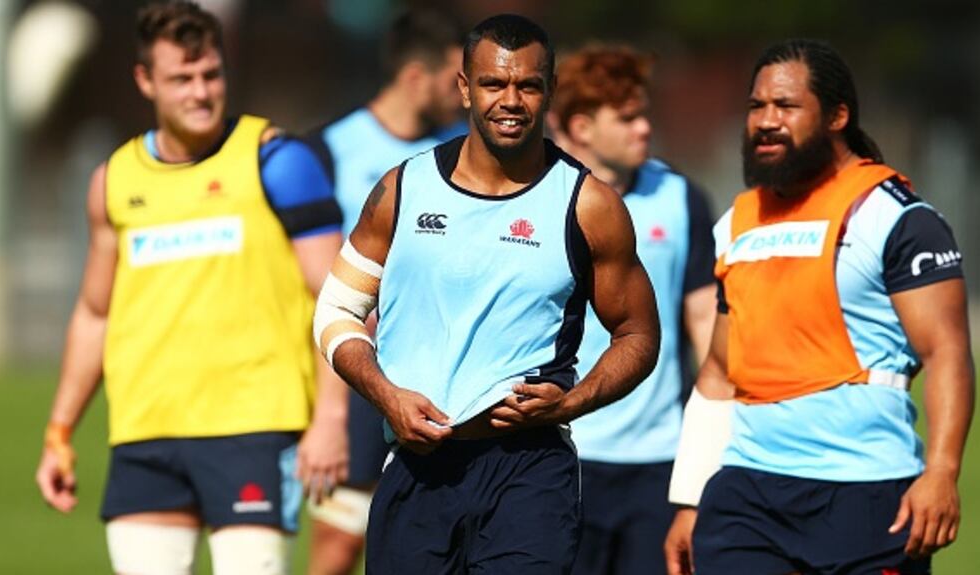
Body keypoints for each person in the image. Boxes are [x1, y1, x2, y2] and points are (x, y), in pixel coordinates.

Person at [313, 14, 660, 575]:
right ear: (464, 88)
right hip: (416, 463)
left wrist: (572, 402)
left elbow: (639, 334)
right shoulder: (403, 188)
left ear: (548, 91)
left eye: (528, 85)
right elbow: (336, 309)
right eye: (495, 84)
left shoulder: (588, 205)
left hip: (529, 470)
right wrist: (386, 395)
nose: (511, 100)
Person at [33, 3, 346, 573]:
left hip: (255, 427)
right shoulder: (114, 180)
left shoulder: (277, 160)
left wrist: (330, 419)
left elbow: (341, 299)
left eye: (211, 74)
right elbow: (95, 313)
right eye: (182, 78)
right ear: (145, 81)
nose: (201, 92)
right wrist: (60, 428)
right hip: (146, 433)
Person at [663, 38, 975, 575]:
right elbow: (717, 372)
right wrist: (692, 498)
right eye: (756, 106)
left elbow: (946, 351)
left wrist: (942, 472)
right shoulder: (738, 223)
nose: (766, 121)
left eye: (786, 106)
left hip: (867, 493)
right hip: (746, 495)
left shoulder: (896, 217)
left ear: (837, 115)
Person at [303, 9, 465, 574]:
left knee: (438, 535)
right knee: (340, 538)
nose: (465, 93)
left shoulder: (467, 153)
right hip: (358, 370)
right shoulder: (327, 150)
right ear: (417, 77)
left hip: (445, 368)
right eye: (455, 79)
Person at [547, 45, 716, 575]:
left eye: (645, 114)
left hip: (661, 463)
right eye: (627, 118)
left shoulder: (681, 196)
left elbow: (707, 322)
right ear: (580, 126)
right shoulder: (540, 199)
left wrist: (716, 430)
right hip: (564, 452)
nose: (644, 128)